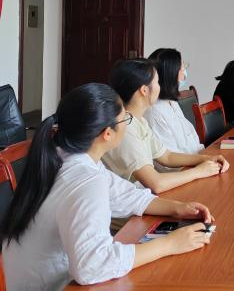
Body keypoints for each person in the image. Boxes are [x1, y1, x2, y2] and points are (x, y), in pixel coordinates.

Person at [0, 83, 215, 290]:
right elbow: (92, 266)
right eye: (125, 119)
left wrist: (178, 208)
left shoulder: (65, 156)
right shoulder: (85, 179)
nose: (127, 124)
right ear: (107, 133)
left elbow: (123, 195)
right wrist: (169, 244)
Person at [103, 59, 228, 195]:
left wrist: (205, 159)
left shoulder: (139, 121)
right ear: (144, 90)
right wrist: (199, 172)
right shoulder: (125, 127)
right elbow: (156, 184)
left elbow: (167, 156)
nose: (160, 86)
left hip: (143, 197)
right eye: (157, 82)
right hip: (132, 203)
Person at [146, 48, 203, 157]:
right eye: (182, 68)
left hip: (197, 159)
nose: (185, 73)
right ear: (171, 75)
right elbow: (169, 160)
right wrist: (201, 161)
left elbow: (191, 141)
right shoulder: (154, 112)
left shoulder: (171, 102)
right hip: (187, 166)